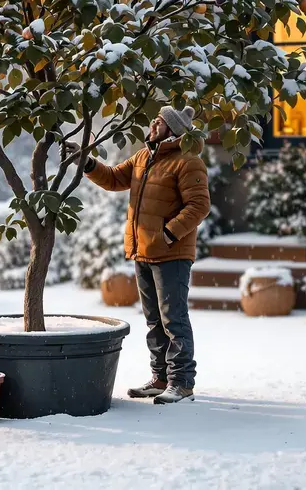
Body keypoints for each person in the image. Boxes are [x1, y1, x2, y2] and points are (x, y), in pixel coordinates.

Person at [66, 105, 210, 404]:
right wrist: (86, 162)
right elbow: (113, 179)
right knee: (154, 321)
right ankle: (161, 378)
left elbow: (199, 206)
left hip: (171, 254)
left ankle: (182, 382)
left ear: (172, 130)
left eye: (159, 121)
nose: (153, 124)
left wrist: (168, 234)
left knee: (174, 320)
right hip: (143, 252)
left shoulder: (187, 161)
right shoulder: (144, 157)